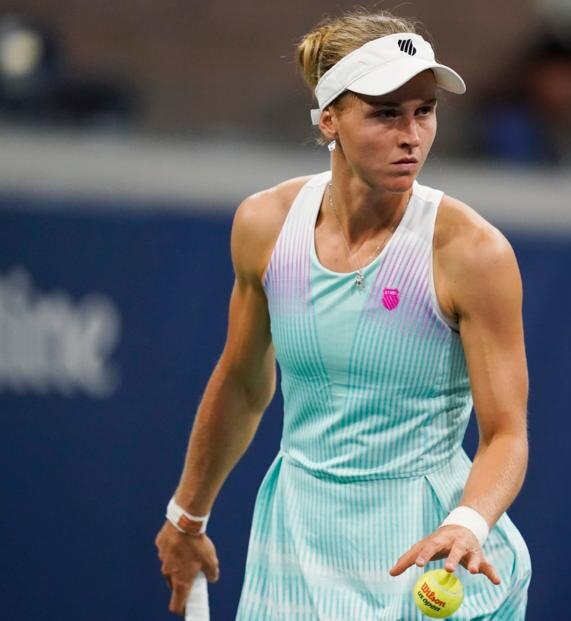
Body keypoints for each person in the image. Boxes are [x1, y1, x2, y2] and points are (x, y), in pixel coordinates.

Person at [154, 9, 532, 620]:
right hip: (296, 547)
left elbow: (506, 434)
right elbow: (245, 382)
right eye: (386, 113)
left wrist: (469, 521)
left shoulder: (473, 254)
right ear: (329, 118)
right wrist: (187, 514)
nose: (412, 135)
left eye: (424, 111)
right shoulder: (265, 225)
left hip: (430, 554)